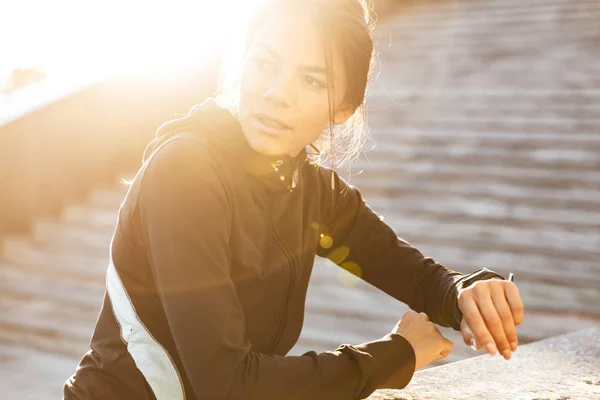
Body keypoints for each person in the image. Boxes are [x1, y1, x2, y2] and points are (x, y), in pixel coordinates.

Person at [63, 0, 524, 399]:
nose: (274, 93)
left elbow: (414, 277)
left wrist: (467, 293)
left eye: (311, 81)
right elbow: (228, 386)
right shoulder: (186, 173)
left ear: (343, 107)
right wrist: (396, 355)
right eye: (264, 63)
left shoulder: (312, 192)